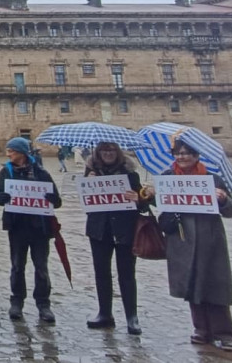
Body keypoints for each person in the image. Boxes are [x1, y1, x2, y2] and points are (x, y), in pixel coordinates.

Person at [144, 140, 232, 352]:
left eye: (187, 153)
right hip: (181, 238)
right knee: (192, 283)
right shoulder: (168, 178)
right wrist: (151, 197)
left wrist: (223, 199)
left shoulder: (212, 179)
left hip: (210, 239)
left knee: (215, 285)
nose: (182, 157)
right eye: (178, 153)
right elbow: (163, 203)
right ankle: (201, 329)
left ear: (196, 156)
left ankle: (224, 333)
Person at [0, 137, 62, 324]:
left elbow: (57, 201)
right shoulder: (5, 172)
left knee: (41, 267)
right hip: (17, 227)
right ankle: (17, 302)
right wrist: (2, 196)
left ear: (22, 153)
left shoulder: (41, 173)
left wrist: (51, 197)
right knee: (17, 266)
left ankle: (43, 304)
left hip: (39, 228)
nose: (8, 154)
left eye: (12, 151)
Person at [83, 142, 148, 334]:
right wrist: (89, 183)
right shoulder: (90, 174)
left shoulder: (130, 175)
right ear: (98, 153)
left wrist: (139, 198)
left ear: (117, 152)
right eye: (103, 150)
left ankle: (131, 317)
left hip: (124, 230)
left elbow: (142, 206)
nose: (107, 153)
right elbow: (86, 203)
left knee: (126, 274)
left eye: (111, 150)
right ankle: (105, 313)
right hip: (99, 230)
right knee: (101, 273)